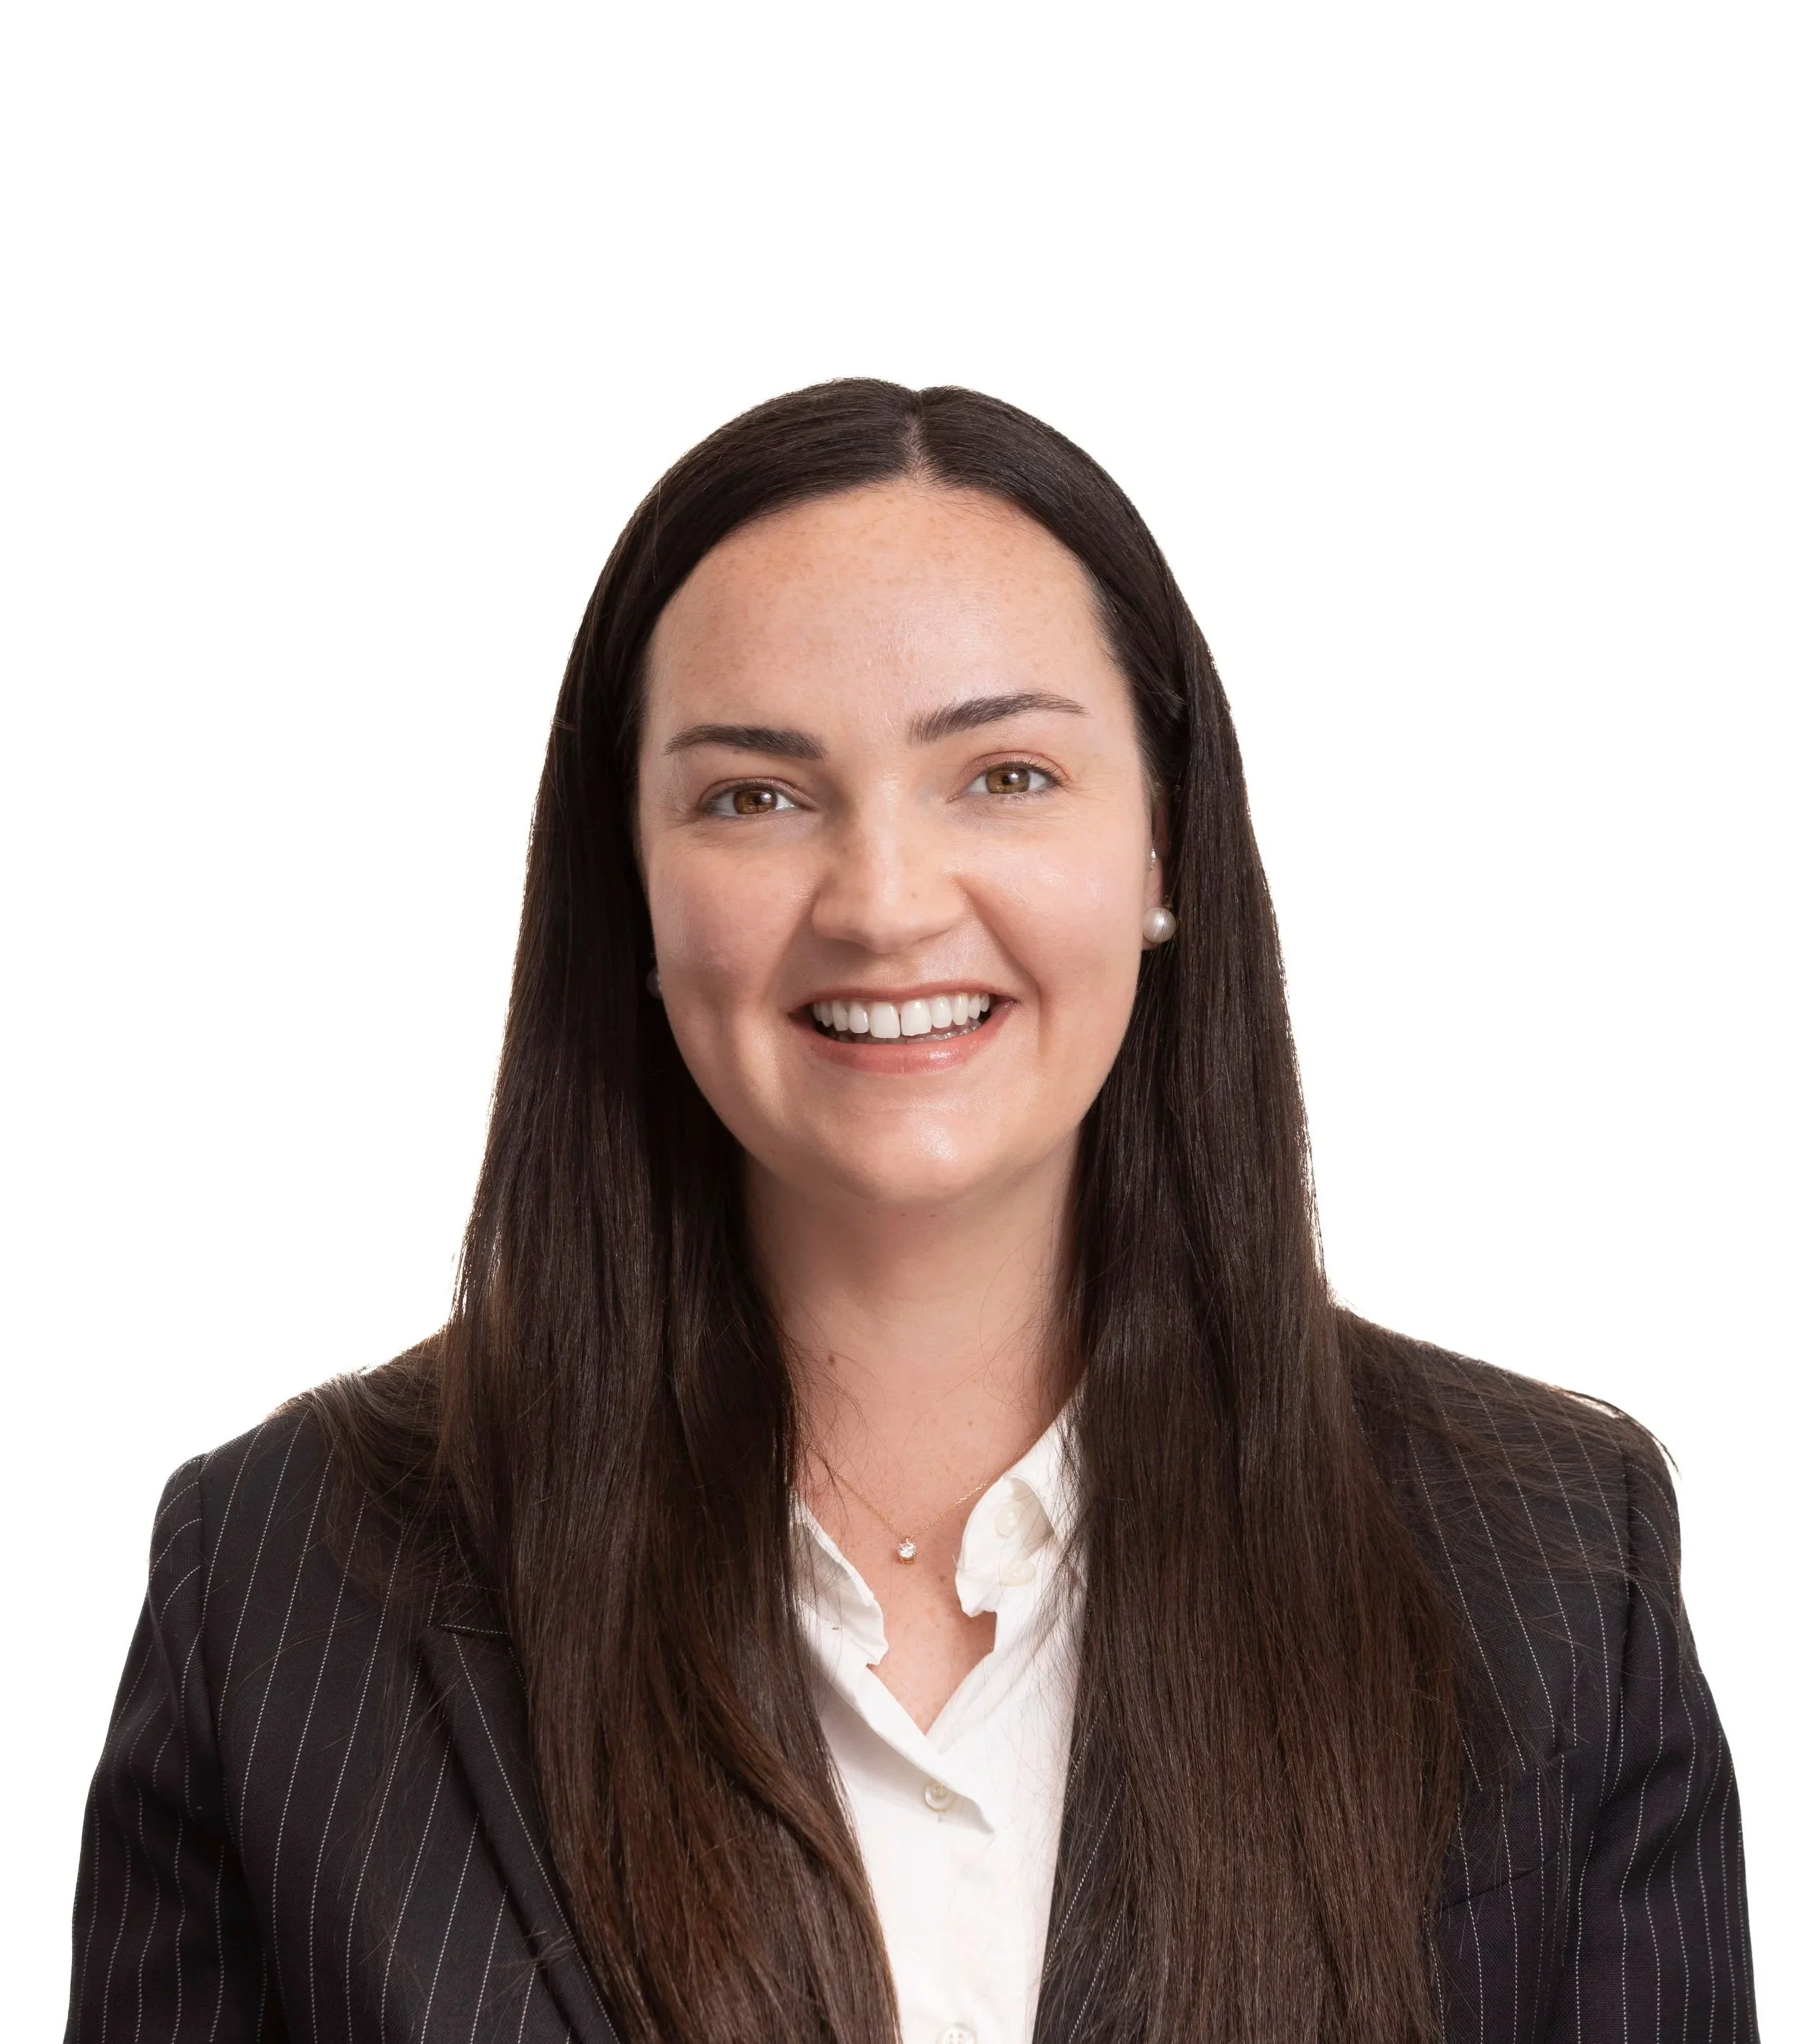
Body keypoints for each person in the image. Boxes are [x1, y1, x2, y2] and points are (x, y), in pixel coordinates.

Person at [66, 381, 1757, 2044]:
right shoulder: (280, 1575)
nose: (882, 902)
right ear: (632, 890)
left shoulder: (1546, 1562)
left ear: (1162, 843)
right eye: (753, 794)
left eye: (1004, 774)